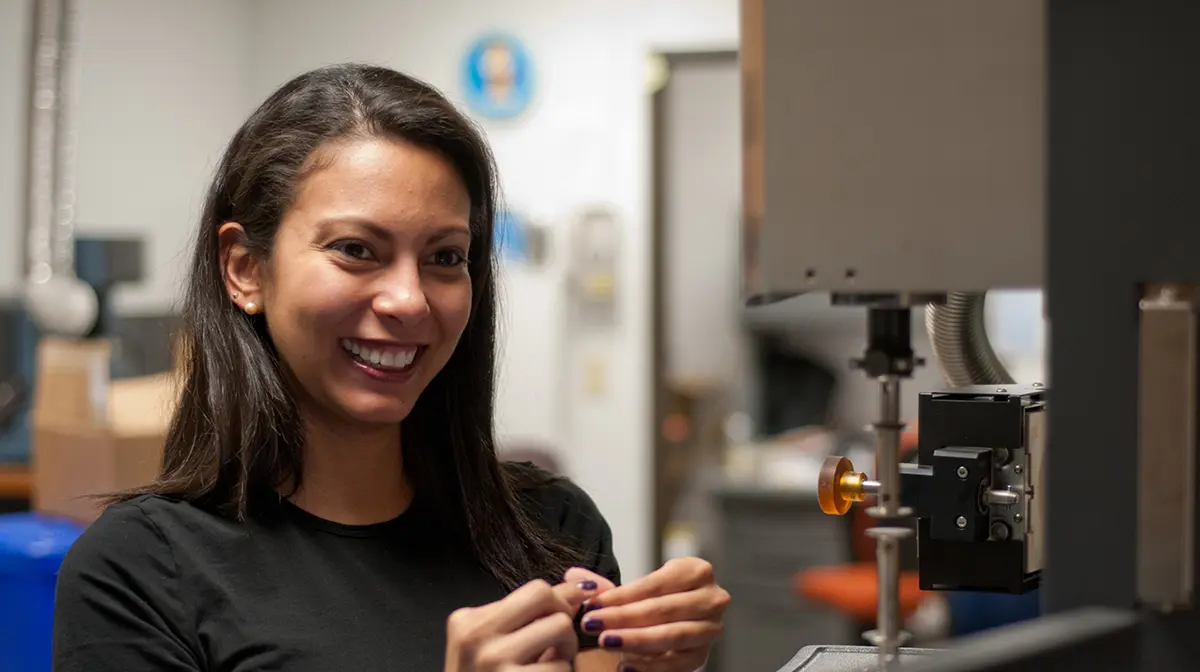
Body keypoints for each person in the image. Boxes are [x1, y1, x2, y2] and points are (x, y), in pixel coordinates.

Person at [52, 64, 729, 672]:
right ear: (245, 269)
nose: (408, 301)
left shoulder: (554, 529)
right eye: (356, 249)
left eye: (444, 257)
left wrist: (653, 668)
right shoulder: (140, 574)